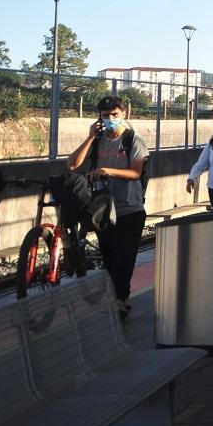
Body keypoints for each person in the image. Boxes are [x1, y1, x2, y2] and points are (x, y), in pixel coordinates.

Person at [67, 95, 148, 320]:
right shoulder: (98, 139)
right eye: (106, 115)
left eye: (115, 115)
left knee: (125, 256)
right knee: (110, 256)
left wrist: (107, 171)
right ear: (99, 118)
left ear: (124, 115)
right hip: (103, 209)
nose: (111, 119)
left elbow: (135, 173)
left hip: (130, 208)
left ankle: (121, 299)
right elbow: (73, 164)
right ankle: (119, 297)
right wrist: (90, 137)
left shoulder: (133, 139)